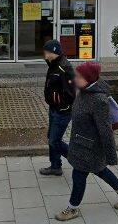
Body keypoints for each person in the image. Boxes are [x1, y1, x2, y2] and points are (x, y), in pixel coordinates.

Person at [55, 61, 118, 221]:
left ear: (89, 79)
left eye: (78, 77)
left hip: (90, 147)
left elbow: (105, 130)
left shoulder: (99, 100)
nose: (75, 79)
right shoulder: (84, 91)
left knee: (79, 175)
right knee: (100, 170)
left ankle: (72, 208)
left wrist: (111, 155)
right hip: (80, 143)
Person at [40, 39, 75, 176]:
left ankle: (77, 159)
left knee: (54, 140)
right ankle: (55, 166)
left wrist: (63, 107)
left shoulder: (64, 68)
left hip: (62, 111)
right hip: (54, 108)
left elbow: (72, 92)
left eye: (46, 52)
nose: (44, 54)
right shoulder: (53, 64)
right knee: (51, 138)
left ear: (53, 52)